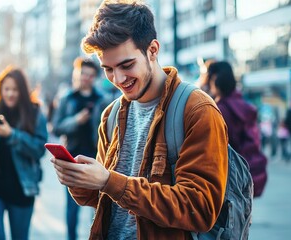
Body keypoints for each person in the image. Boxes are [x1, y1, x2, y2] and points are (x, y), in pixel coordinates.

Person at [50, 1, 229, 239]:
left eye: (127, 65)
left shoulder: (197, 109)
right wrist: (78, 180)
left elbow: (200, 209)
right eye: (108, 69)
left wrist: (109, 181)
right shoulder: (111, 114)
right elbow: (100, 199)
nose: (119, 78)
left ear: (153, 50)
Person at [0, 67, 48, 240]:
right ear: (0, 90)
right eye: (7, 89)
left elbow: (39, 149)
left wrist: (11, 134)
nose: (10, 93)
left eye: (15, 89)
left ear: (22, 90)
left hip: (22, 189)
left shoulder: (35, 114)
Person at [51, 57, 107, 240]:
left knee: (98, 205)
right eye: (83, 74)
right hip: (72, 158)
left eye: (91, 75)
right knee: (72, 206)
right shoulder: (67, 98)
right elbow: (57, 126)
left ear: (95, 77)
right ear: (77, 74)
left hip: (96, 156)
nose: (86, 78)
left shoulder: (102, 99)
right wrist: (76, 121)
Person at [205, 61, 267, 197]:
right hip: (244, 172)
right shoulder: (242, 105)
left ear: (216, 80)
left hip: (228, 178)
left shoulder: (220, 110)